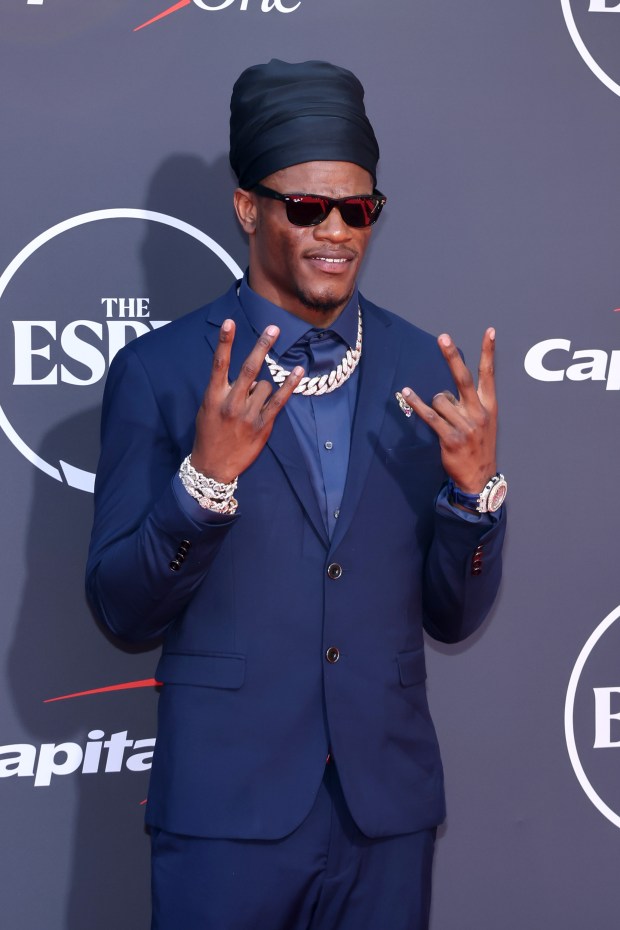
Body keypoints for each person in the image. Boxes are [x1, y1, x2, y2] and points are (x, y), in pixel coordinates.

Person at [86, 58, 506, 930]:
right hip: (224, 818)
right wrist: (204, 485)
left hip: (384, 815)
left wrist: (474, 500)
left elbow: (453, 618)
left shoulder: (426, 372)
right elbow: (122, 612)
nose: (338, 233)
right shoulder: (160, 375)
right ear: (250, 208)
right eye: (308, 208)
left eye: (359, 210)